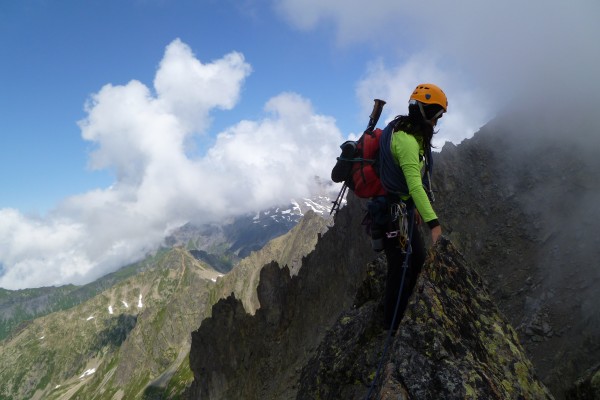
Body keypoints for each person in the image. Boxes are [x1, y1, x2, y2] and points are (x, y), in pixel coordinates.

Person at [371, 83, 447, 331]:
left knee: (416, 261)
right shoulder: (406, 141)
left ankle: (402, 318)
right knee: (399, 268)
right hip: (395, 215)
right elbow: (415, 185)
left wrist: (412, 208)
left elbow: (409, 185)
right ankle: (392, 328)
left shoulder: (405, 132)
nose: (436, 122)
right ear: (426, 111)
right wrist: (434, 225)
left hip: (402, 210)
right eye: (436, 115)